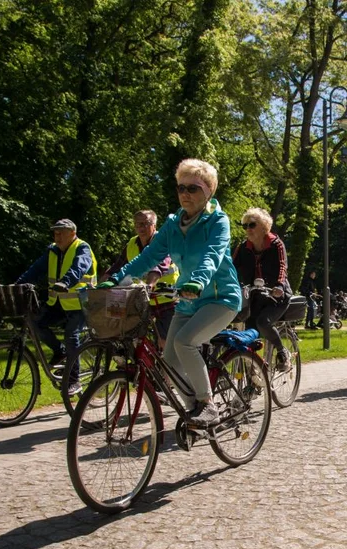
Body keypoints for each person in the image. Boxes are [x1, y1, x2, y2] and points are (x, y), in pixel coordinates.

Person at [100, 159, 241, 427]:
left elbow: (212, 255)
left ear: (209, 190)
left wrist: (198, 281)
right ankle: (196, 414)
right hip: (188, 302)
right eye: (181, 188)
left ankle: (208, 405)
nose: (185, 193)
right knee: (171, 360)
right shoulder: (173, 225)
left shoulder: (218, 222)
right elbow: (149, 256)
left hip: (220, 298)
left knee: (185, 342)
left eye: (193, 188)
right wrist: (118, 279)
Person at [15, 218, 97, 390]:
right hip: (58, 302)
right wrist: (17, 285)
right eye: (55, 233)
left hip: (81, 303)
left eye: (61, 233)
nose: (57, 236)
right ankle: (60, 351)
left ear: (73, 234)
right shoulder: (52, 251)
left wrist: (66, 282)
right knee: (36, 323)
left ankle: (74, 380)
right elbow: (35, 270)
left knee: (71, 335)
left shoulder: (82, 248)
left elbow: (79, 267)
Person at [103, 209, 179, 347]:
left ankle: (167, 365)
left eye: (145, 223)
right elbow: (118, 266)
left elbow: (160, 265)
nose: (141, 227)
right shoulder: (132, 244)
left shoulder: (163, 241)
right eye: (138, 224)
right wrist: (104, 282)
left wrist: (149, 285)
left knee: (164, 342)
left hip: (166, 298)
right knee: (129, 334)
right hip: (142, 299)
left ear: (154, 225)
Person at [232, 207, 293, 372]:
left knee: (263, 322)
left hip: (276, 297)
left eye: (251, 225)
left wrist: (279, 285)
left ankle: (282, 351)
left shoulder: (276, 244)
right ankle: (253, 376)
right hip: (254, 298)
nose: (248, 229)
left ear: (264, 226)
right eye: (245, 226)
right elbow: (231, 268)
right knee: (250, 335)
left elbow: (282, 266)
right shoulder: (243, 247)